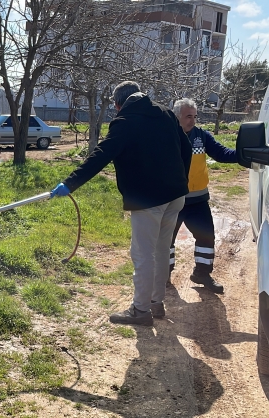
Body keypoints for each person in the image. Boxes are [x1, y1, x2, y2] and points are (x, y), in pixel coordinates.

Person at [50, 81, 191, 326]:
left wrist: (70, 183)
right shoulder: (166, 113)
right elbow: (187, 148)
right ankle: (156, 304)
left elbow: (101, 155)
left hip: (148, 199)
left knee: (143, 254)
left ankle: (140, 310)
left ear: (117, 104)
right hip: (176, 195)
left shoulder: (125, 121)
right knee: (161, 250)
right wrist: (180, 179)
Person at [169, 98, 237, 294]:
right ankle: (164, 275)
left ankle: (202, 273)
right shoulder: (166, 136)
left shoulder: (201, 136)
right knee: (166, 241)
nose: (193, 120)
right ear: (177, 117)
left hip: (198, 201)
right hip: (173, 201)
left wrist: (243, 155)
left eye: (195, 116)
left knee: (206, 237)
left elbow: (222, 153)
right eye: (188, 116)